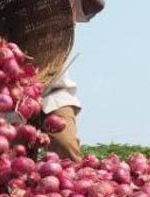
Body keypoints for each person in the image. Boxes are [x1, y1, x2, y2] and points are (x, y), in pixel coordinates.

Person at [40, 0, 105, 162]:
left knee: (66, 147)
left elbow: (97, 5)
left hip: (54, 90)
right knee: (12, 165)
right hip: (14, 95)